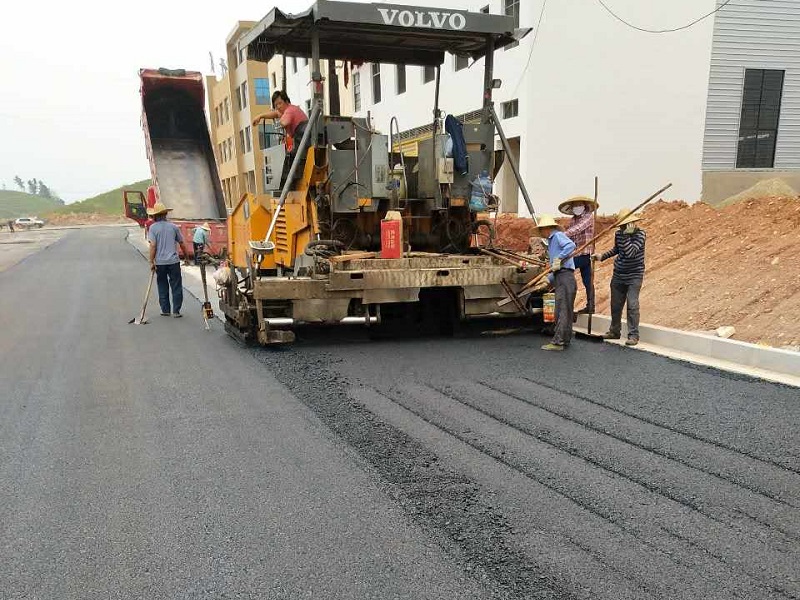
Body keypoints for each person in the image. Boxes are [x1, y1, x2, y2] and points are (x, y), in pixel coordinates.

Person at [593, 209, 646, 346]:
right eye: (623, 225)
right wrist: (602, 256)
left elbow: (630, 252)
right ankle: (614, 331)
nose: (624, 227)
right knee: (615, 305)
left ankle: (633, 335)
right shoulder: (619, 233)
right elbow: (617, 249)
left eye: (627, 224)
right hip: (619, 274)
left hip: (634, 275)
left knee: (632, 305)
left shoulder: (641, 234)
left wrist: (627, 235)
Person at [537, 214, 577, 352]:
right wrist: (548, 279)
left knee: (562, 310)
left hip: (565, 277)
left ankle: (558, 342)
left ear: (547, 228)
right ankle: (565, 339)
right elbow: (556, 268)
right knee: (564, 309)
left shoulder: (558, 236)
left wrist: (559, 258)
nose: (541, 233)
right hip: (561, 276)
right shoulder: (551, 243)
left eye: (541, 230)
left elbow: (571, 245)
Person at [252, 90, 309, 189]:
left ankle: (288, 185)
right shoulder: (288, 109)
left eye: (280, 103)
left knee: (288, 158)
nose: (278, 106)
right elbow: (274, 114)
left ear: (286, 101)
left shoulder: (289, 111)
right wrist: (260, 116)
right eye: (276, 104)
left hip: (303, 136)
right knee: (291, 155)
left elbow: (285, 121)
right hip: (304, 136)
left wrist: (280, 122)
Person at [147, 201, 189, 318]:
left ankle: (165, 310)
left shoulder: (153, 228)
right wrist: (186, 257)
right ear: (165, 214)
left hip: (160, 263)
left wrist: (151, 261)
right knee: (176, 285)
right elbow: (182, 243)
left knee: (162, 285)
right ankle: (176, 311)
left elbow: (153, 246)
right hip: (173, 262)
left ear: (155, 215)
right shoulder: (174, 227)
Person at [559, 195, 598, 314]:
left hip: (585, 254)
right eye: (575, 206)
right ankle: (590, 305)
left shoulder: (588, 217)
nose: (577, 207)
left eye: (579, 205)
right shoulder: (573, 220)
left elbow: (577, 229)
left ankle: (586, 305)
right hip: (575, 253)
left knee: (564, 270)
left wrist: (560, 236)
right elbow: (571, 237)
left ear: (584, 205)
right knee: (587, 280)